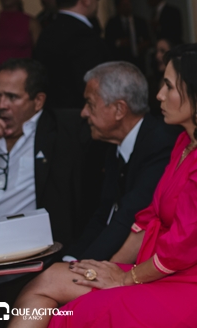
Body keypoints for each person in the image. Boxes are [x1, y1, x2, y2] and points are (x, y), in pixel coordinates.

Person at [12, 44, 197, 328]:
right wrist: (110, 269)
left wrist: (125, 278)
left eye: (168, 86)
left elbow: (184, 246)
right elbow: (148, 218)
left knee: (69, 315)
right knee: (46, 280)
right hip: (162, 269)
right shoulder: (186, 141)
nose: (159, 95)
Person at [63, 61, 179, 261]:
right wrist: (71, 259)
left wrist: (80, 270)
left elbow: (129, 216)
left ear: (119, 109)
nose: (84, 112)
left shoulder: (160, 145)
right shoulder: (113, 147)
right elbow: (104, 214)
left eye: (90, 104)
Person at [0, 58, 103, 245]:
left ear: (38, 101)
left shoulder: (63, 130)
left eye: (12, 97)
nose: (1, 105)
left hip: (23, 248)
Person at [33, 0, 110, 109]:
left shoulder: (47, 32)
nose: (96, 0)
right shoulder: (83, 35)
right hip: (80, 114)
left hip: (53, 113)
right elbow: (94, 87)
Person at [104, 0, 150, 71]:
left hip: (138, 61)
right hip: (120, 61)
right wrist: (119, 42)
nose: (127, 7)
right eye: (124, 5)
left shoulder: (140, 21)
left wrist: (143, 45)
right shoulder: (112, 23)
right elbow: (108, 41)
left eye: (128, 4)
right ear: (118, 7)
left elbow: (148, 39)